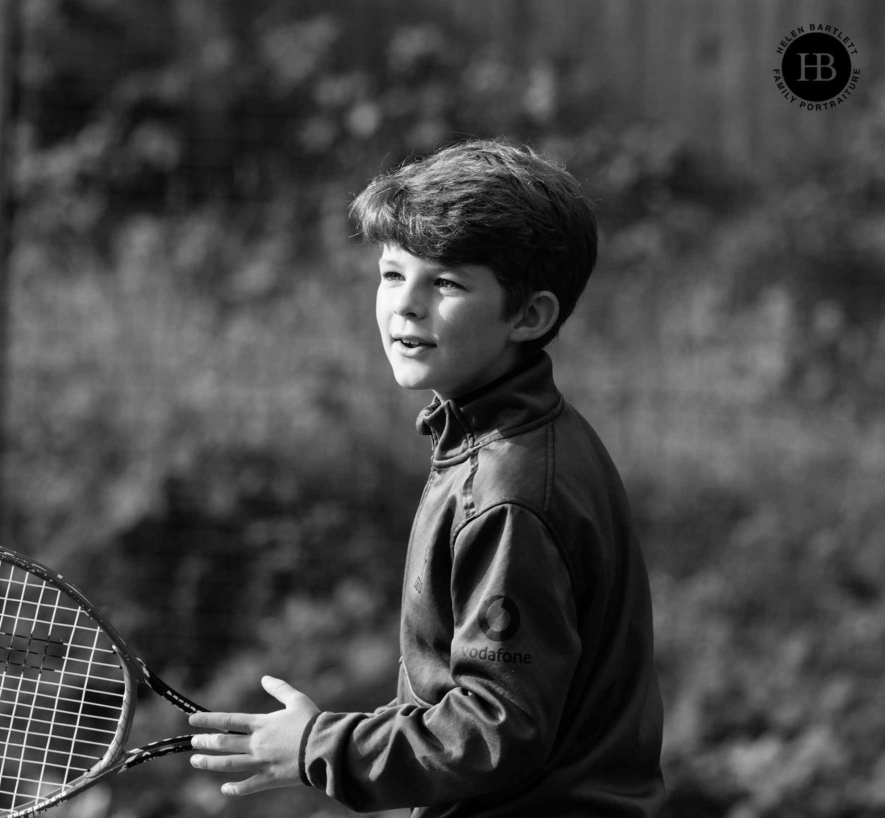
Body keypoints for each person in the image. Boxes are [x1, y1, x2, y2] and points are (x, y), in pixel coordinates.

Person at [188, 138, 666, 817]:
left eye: (445, 283)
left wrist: (321, 745)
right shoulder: (504, 441)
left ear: (529, 316)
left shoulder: (510, 493)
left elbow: (497, 726)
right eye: (391, 274)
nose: (405, 306)